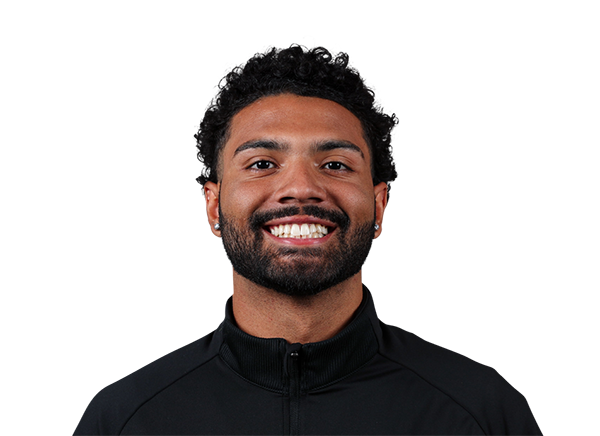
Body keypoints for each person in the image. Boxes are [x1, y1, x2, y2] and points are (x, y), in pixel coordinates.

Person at [76, 45, 539, 436]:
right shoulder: (124, 420)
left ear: (379, 205)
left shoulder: (483, 415)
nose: (301, 187)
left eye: (335, 164)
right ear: (214, 206)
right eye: (262, 164)